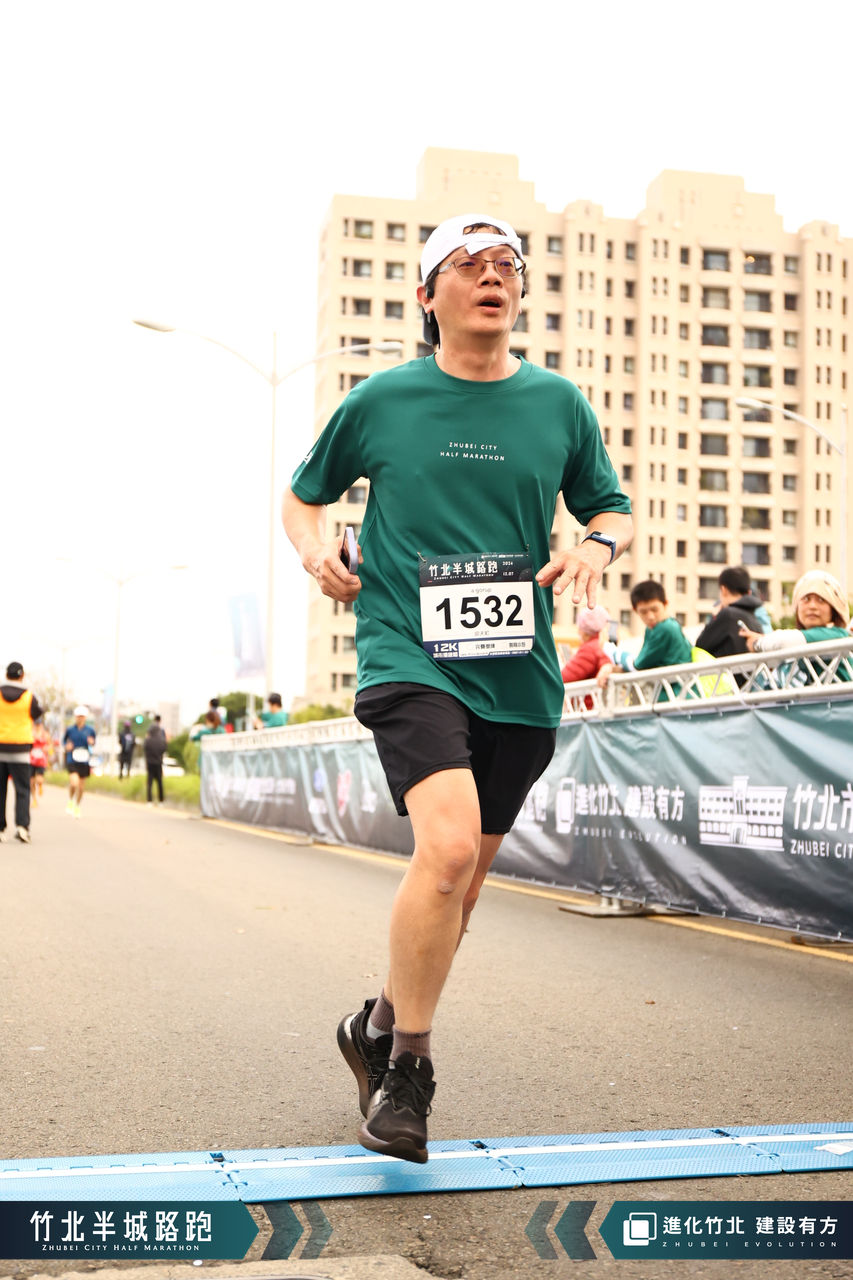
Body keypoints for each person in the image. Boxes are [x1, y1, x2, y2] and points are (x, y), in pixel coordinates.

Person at [283, 212, 633, 1163]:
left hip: (517, 673)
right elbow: (304, 496)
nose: (493, 276)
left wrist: (595, 544)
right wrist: (316, 552)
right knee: (441, 855)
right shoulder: (382, 400)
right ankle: (408, 1071)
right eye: (469, 264)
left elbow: (608, 504)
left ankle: (373, 1023)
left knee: (462, 888)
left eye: (507, 264)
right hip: (408, 654)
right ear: (428, 295)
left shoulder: (558, 404)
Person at [741, 570, 851, 681]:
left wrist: (756, 643)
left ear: (834, 609)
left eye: (821, 600)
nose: (812, 606)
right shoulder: (800, 644)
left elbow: (783, 641)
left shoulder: (836, 635)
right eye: (806, 599)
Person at [0, 661, 43, 843]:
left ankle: (0, 829)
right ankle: (22, 827)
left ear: (6, 675)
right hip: (20, 749)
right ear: (22, 676)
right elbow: (37, 715)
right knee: (23, 789)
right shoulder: (28, 696)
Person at [694, 566, 767, 659]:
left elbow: (700, 646)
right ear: (749, 592)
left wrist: (714, 617)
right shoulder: (755, 621)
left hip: (727, 668)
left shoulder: (727, 615)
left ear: (723, 590)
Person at [561, 605, 614, 709]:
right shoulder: (598, 645)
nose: (578, 631)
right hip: (593, 707)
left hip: (585, 709)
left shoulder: (588, 649)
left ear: (585, 630)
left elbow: (563, 678)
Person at [63, 706, 96, 818]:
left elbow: (94, 742)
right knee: (74, 783)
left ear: (85, 717)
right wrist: (67, 746)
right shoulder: (70, 730)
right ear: (75, 717)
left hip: (84, 760)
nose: (80, 718)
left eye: (82, 716)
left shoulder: (90, 730)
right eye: (78, 716)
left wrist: (91, 742)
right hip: (72, 758)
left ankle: (77, 806)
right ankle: (71, 800)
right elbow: (64, 741)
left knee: (81, 787)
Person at [144, 714, 168, 805]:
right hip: (158, 762)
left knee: (149, 782)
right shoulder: (162, 740)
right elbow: (164, 749)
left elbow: (145, 749)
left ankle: (149, 801)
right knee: (160, 783)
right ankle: (161, 801)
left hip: (150, 763)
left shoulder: (148, 740)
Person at [29, 718, 52, 807]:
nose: (37, 726)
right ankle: (34, 799)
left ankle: (40, 785)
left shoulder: (45, 735)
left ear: (41, 725)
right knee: (31, 782)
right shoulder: (30, 733)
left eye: (39, 724)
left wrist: (47, 749)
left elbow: (50, 745)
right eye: (36, 724)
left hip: (41, 760)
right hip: (31, 760)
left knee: (39, 780)